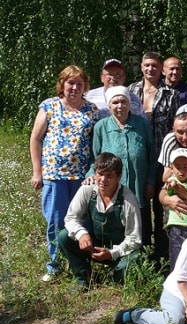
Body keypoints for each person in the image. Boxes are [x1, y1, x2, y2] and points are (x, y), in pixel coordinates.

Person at [30, 65, 100, 282]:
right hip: (54, 176)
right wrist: (37, 171)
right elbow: (35, 139)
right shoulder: (49, 106)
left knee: (81, 220)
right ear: (62, 84)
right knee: (55, 221)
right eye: (70, 82)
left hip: (82, 177)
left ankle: (81, 263)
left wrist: (94, 172)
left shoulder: (91, 110)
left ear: (85, 86)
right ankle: (56, 265)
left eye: (79, 83)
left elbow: (96, 143)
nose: (75, 87)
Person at [58, 153, 142, 289]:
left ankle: (113, 277)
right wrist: (82, 234)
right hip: (94, 246)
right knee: (64, 236)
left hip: (118, 251)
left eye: (109, 176)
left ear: (119, 177)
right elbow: (71, 218)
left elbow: (134, 239)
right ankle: (83, 278)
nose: (103, 180)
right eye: (100, 174)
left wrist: (112, 253)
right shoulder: (88, 190)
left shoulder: (128, 199)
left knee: (135, 259)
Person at [87, 86, 156, 247]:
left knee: (142, 226)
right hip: (111, 188)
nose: (120, 106)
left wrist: (150, 182)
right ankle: (115, 259)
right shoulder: (101, 127)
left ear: (129, 103)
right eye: (115, 102)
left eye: (123, 101)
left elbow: (152, 157)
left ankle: (143, 260)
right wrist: (91, 176)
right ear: (109, 106)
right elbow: (94, 158)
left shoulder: (142, 125)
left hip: (138, 187)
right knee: (116, 225)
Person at [128, 52, 181, 155]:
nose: (150, 69)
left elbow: (175, 127)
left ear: (161, 68)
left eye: (154, 66)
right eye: (147, 65)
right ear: (141, 67)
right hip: (135, 149)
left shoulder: (171, 94)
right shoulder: (131, 90)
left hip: (160, 151)